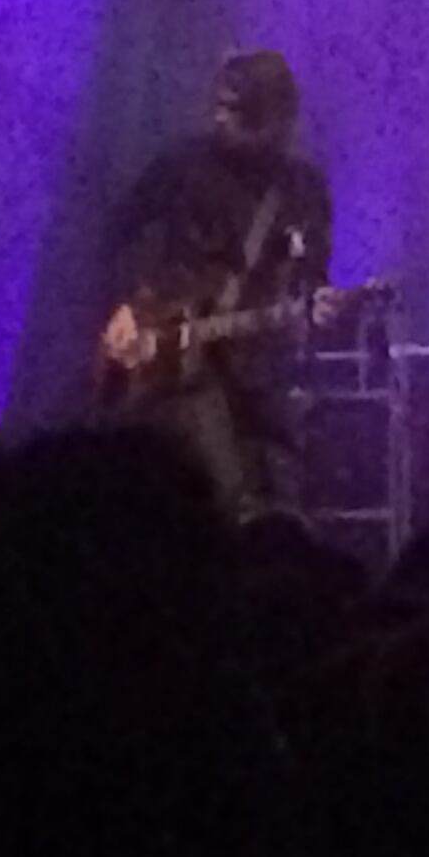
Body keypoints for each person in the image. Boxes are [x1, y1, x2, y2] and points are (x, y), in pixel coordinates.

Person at [101, 49, 334, 514]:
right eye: (220, 106)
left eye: (237, 112)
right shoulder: (183, 166)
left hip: (260, 366)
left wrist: (318, 302)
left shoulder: (303, 188)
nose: (220, 119)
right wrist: (126, 303)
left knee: (281, 500)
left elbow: (311, 276)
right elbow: (117, 231)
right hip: (180, 363)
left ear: (276, 121)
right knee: (222, 493)